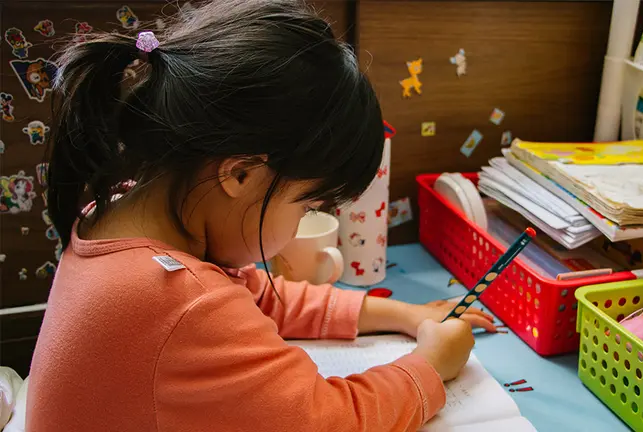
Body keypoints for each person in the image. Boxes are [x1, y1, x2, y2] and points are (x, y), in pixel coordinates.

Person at [27, 1, 495, 430]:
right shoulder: (179, 299)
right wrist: (429, 366)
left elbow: (258, 297)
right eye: (307, 207)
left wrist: (404, 314)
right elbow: (326, 422)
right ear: (241, 173)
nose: (299, 226)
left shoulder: (118, 213)